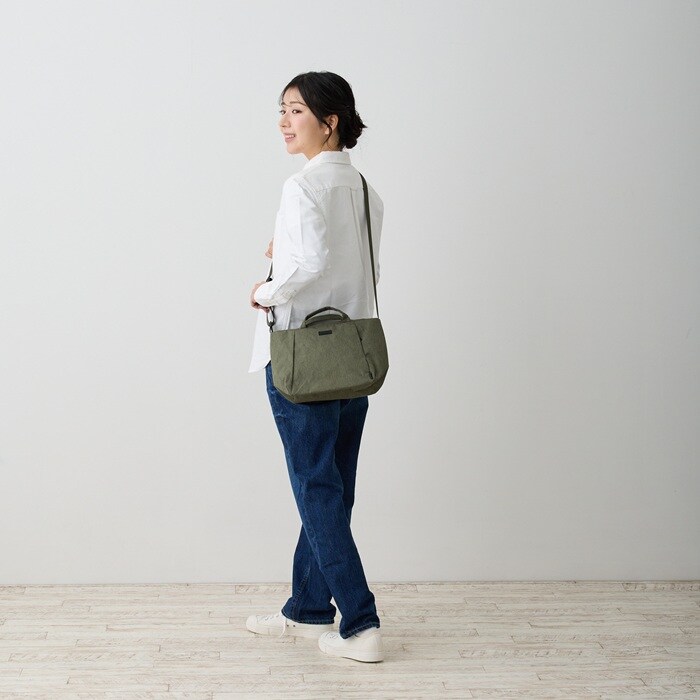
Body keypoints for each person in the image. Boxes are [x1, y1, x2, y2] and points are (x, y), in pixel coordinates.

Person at [245, 71, 385, 663]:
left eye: (296, 110)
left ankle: (361, 625)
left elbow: (310, 263)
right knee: (332, 488)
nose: (284, 122)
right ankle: (307, 610)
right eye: (282, 109)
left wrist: (266, 290)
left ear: (330, 122)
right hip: (352, 356)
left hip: (303, 358)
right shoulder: (365, 191)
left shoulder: (301, 187)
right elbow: (353, 268)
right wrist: (287, 252)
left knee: (316, 490)